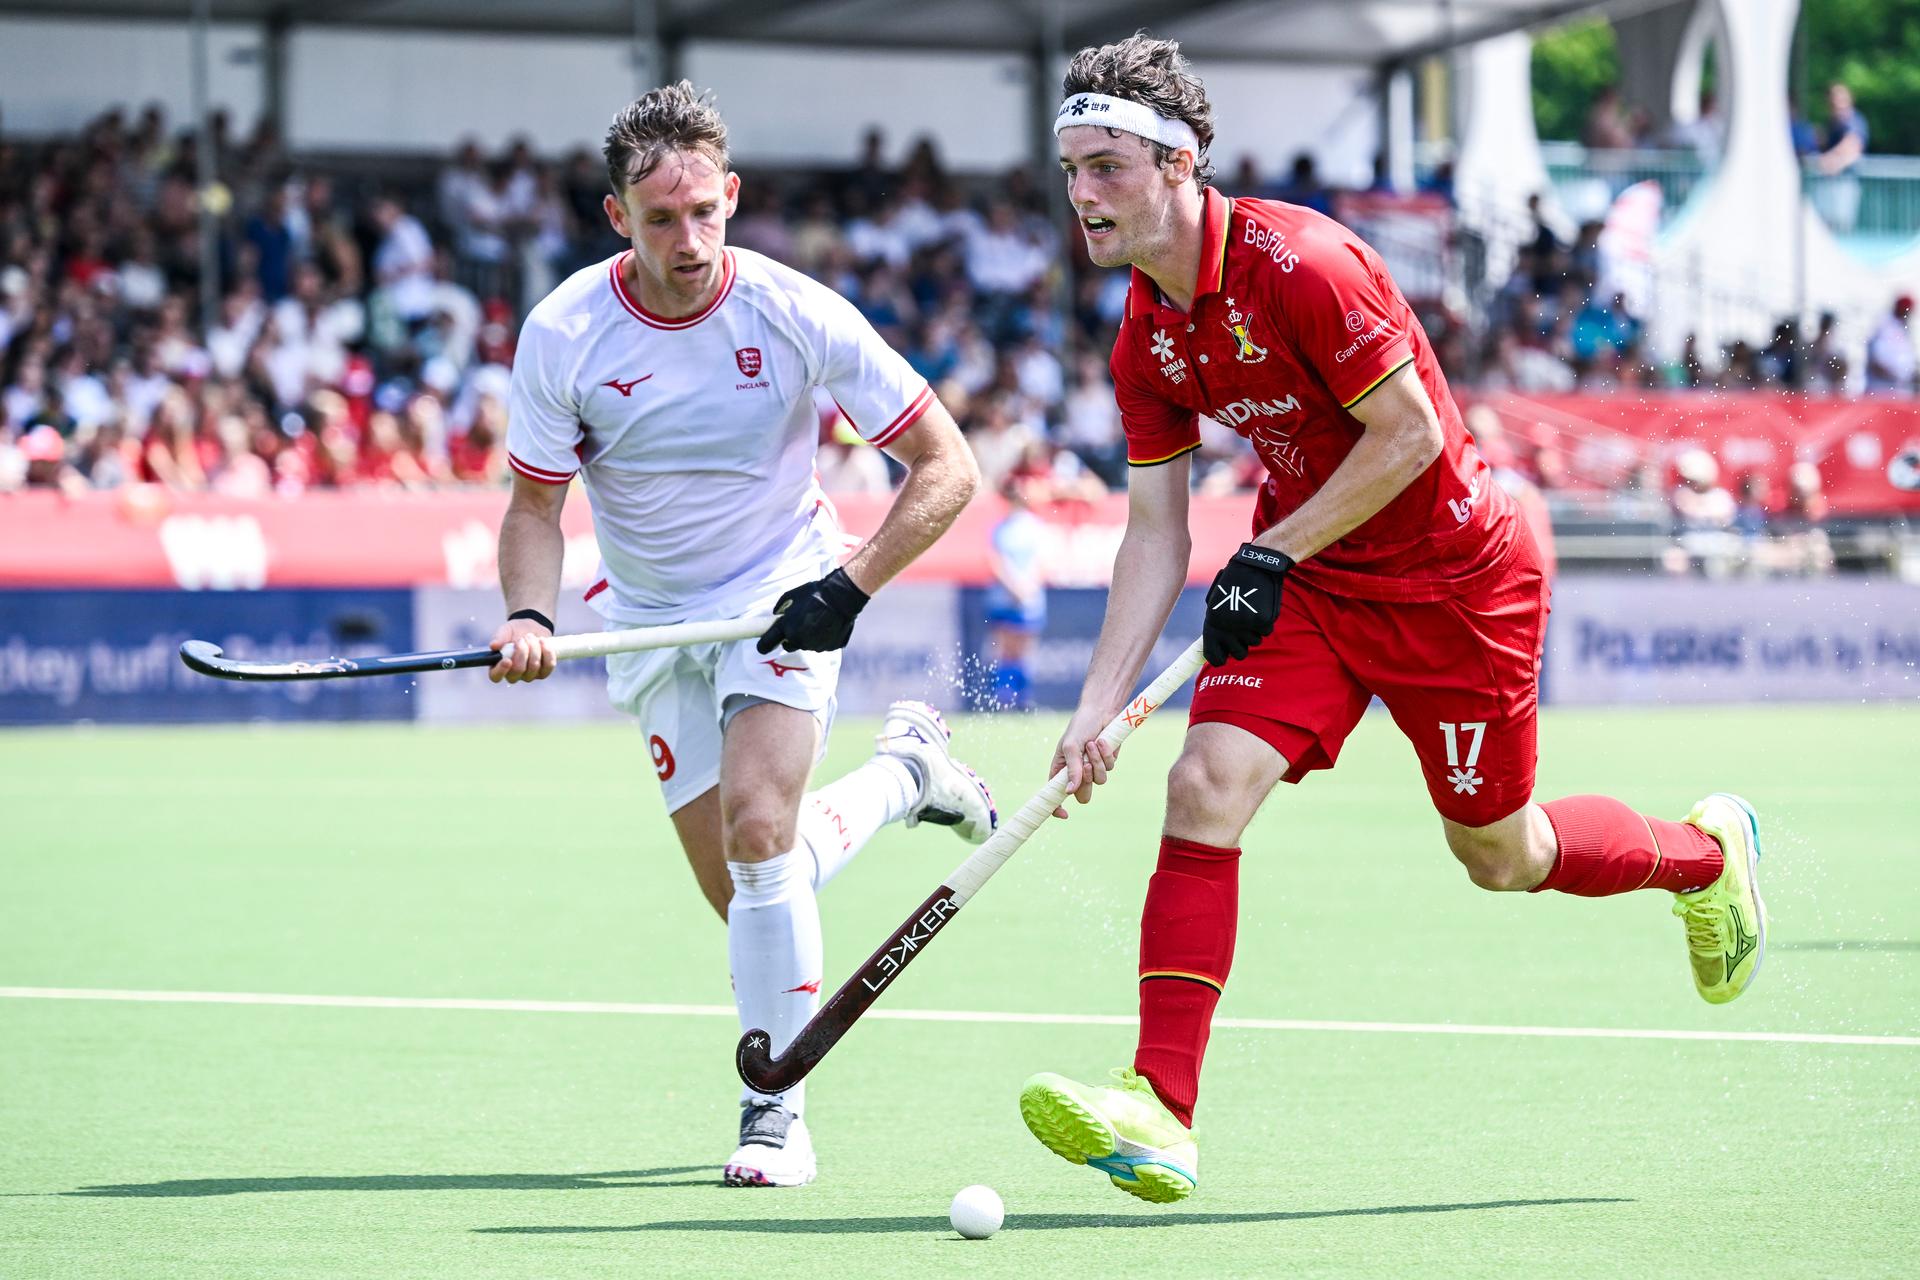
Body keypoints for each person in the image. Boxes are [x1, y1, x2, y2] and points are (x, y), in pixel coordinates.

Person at [1020, 35, 1767, 1205]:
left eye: (1107, 165)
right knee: (1202, 784)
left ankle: (1707, 856)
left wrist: (1271, 549)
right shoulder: (1144, 332)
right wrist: (1096, 705)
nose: (1084, 193)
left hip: (1457, 580)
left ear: (1180, 164)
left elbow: (1410, 432)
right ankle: (1161, 1107)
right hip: (1317, 584)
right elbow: (1155, 532)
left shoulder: (1305, 263)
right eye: (1072, 169)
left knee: (1500, 853)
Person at [488, 82, 996, 1189]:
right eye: (659, 219)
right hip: (647, 621)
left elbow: (948, 466)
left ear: (731, 194)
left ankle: (775, 1109)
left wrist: (847, 588)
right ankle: (907, 779)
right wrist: (528, 613)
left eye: (704, 212)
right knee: (748, 893)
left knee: (761, 834)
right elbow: (534, 508)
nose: (688, 240)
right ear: (617, 216)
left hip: (782, 593)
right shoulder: (564, 330)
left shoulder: (794, 310)